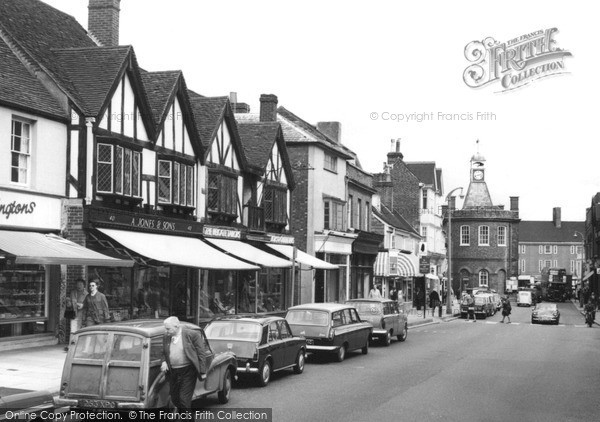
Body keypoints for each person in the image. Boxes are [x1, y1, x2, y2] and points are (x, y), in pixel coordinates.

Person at [161, 316, 214, 410]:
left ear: (176, 326)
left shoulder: (191, 334)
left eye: (168, 328)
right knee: (175, 398)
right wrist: (164, 361)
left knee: (184, 400)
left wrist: (202, 371)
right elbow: (164, 352)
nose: (166, 331)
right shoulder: (166, 336)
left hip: (188, 371)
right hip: (173, 372)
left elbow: (201, 353)